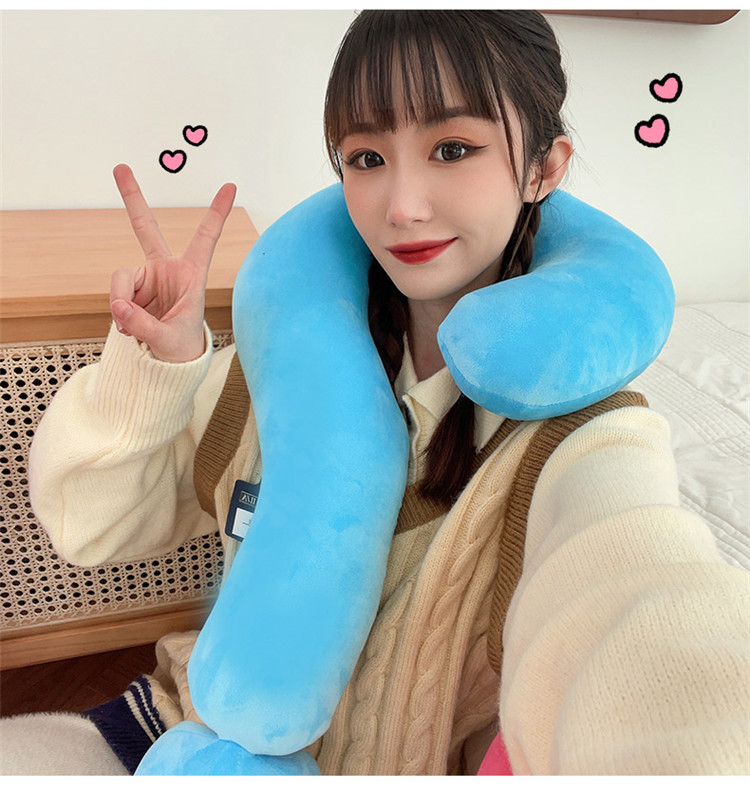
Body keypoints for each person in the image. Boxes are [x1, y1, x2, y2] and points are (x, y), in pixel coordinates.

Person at [7, 10, 748, 776]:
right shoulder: (269, 373)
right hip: (175, 731)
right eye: (366, 157)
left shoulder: (583, 443)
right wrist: (158, 366)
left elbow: (648, 608)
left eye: (452, 149)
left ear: (543, 168)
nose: (402, 206)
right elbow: (90, 527)